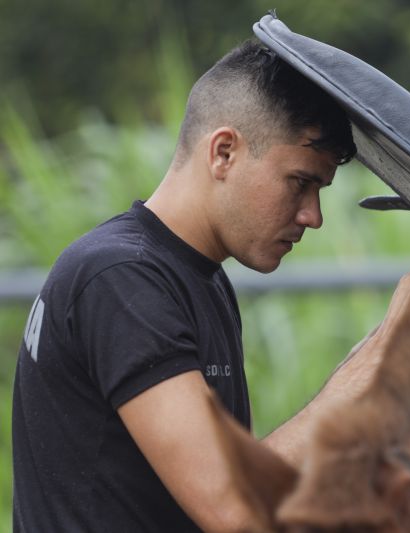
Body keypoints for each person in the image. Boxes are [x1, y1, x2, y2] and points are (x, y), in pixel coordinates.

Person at [12, 38, 359, 532]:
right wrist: (388, 354)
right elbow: (237, 510)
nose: (314, 216)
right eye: (299, 182)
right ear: (223, 152)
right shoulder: (119, 279)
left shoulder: (201, 280)